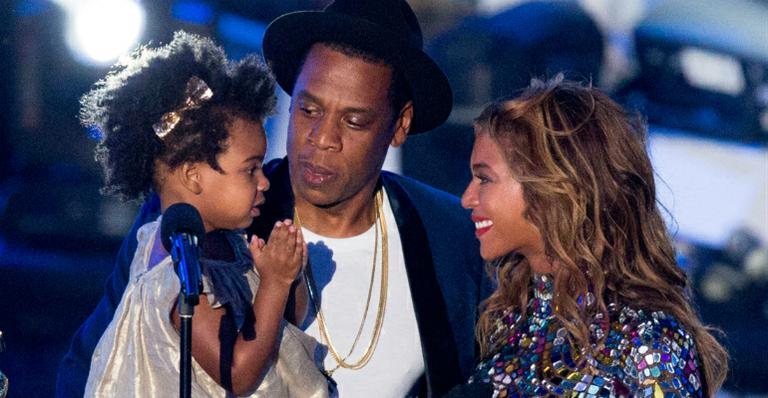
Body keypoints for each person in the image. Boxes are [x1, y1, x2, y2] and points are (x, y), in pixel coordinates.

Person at [57, 1, 490, 397]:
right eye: (309, 110)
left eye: (354, 121)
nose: (322, 139)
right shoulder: (195, 223)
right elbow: (95, 366)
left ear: (399, 125)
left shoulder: (450, 234)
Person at [75, 31, 330, 396]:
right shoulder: (176, 268)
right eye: (250, 170)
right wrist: (273, 283)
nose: (265, 183)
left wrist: (287, 274)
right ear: (194, 175)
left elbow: (280, 326)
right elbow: (237, 374)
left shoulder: (229, 245)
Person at [453, 76, 729, 397]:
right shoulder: (502, 322)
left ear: (550, 185)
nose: (467, 198)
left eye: (484, 179)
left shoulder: (647, 345)